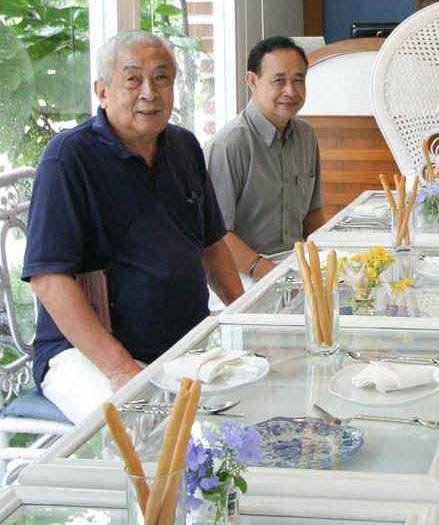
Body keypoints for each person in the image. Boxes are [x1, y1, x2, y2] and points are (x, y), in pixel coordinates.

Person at [22, 30, 243, 424]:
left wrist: (246, 320)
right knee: (138, 427)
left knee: (249, 406)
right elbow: (49, 281)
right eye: (133, 79)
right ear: (102, 91)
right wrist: (121, 368)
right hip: (86, 352)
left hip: (181, 346)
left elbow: (213, 246)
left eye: (162, 78)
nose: (150, 93)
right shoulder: (69, 159)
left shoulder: (184, 146)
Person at [204, 36, 325, 283]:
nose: (290, 91)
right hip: (243, 274)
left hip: (295, 267)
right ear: (253, 81)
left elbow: (313, 212)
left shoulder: (306, 135)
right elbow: (217, 236)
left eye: (298, 80)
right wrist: (273, 275)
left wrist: (321, 264)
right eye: (279, 80)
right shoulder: (228, 145)